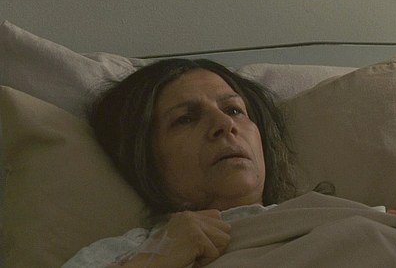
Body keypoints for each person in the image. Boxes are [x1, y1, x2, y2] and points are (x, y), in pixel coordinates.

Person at [66, 58, 301, 267]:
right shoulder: (125, 253)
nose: (225, 123)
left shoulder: (314, 214)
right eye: (186, 119)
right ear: (145, 159)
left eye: (234, 110)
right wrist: (156, 261)